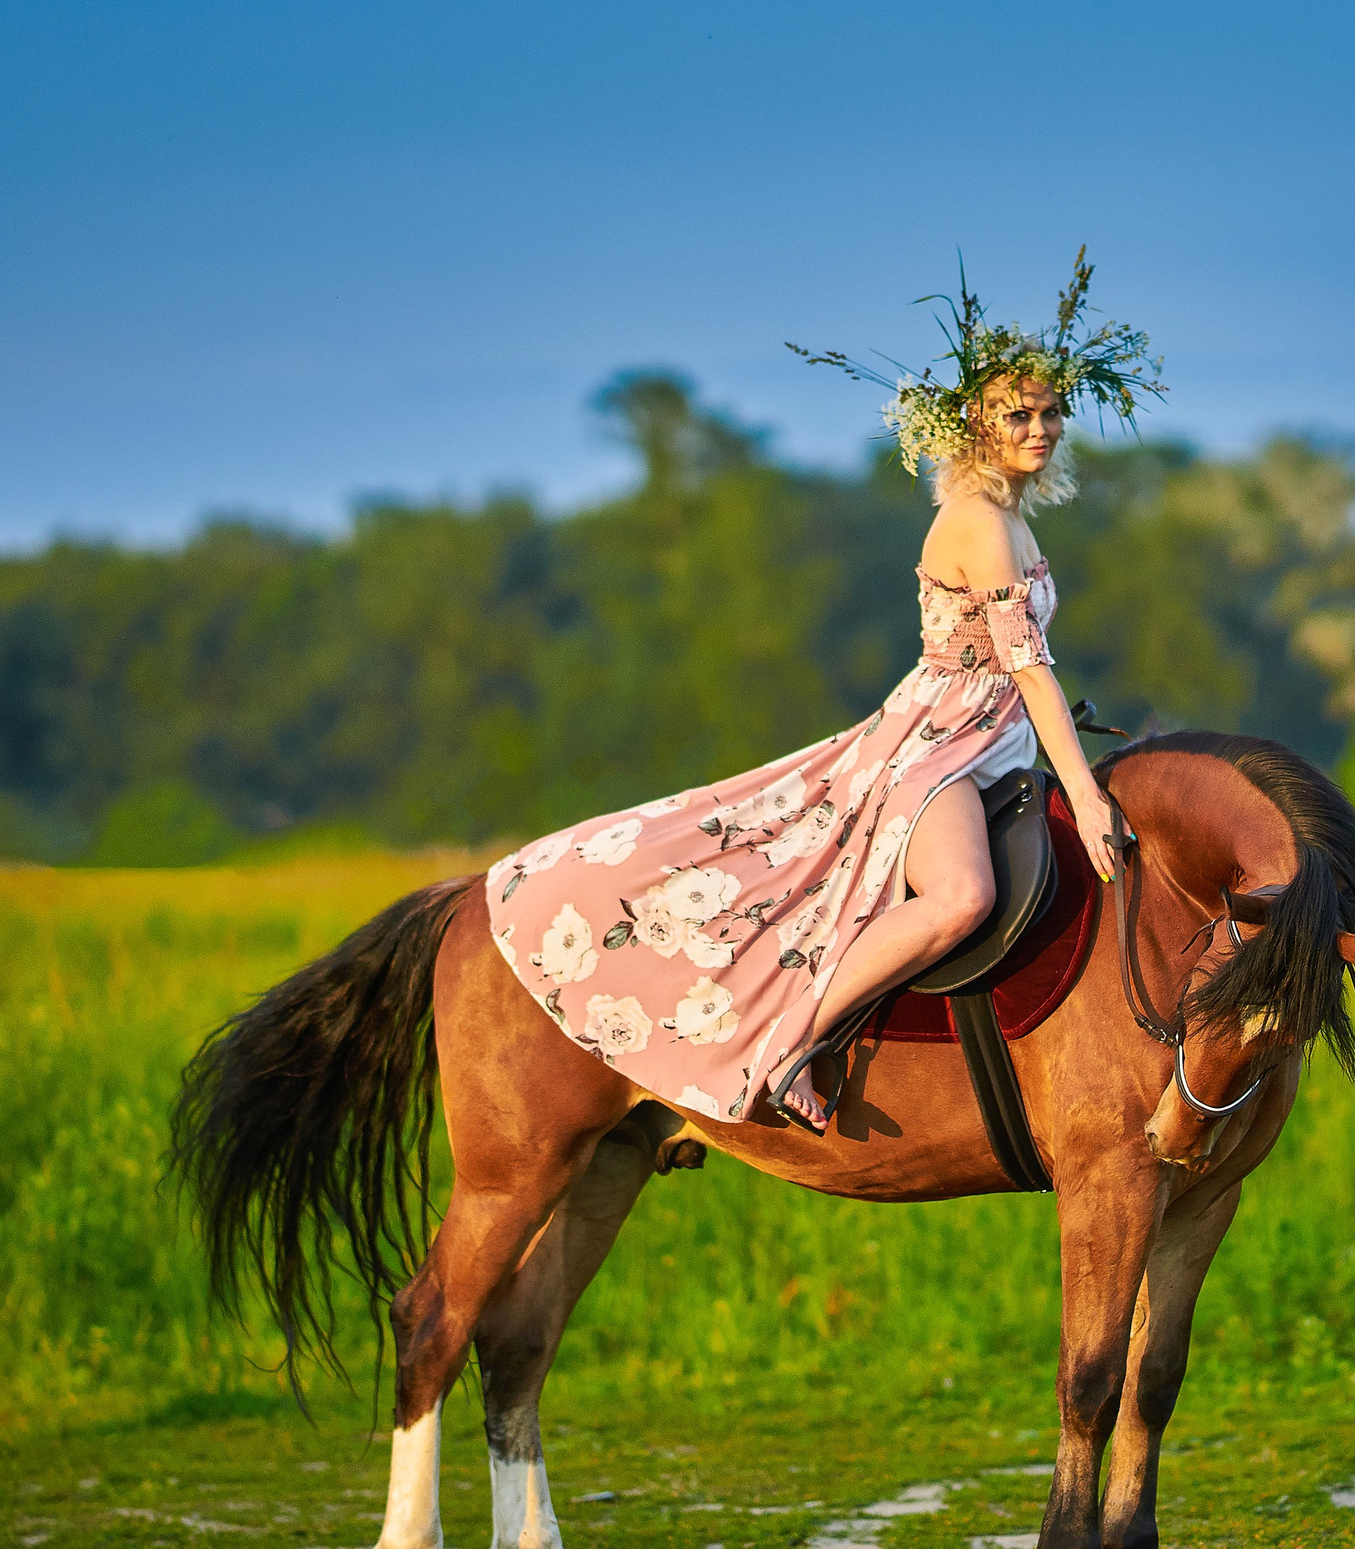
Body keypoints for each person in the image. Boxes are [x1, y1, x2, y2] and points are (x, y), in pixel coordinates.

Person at [483, 256, 1162, 1131]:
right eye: (1017, 415)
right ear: (973, 426)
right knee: (963, 898)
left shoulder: (1015, 514)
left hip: (991, 738)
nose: (1040, 428)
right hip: (941, 745)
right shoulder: (977, 521)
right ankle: (788, 1050)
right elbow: (1027, 663)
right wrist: (1083, 790)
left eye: (1050, 412)